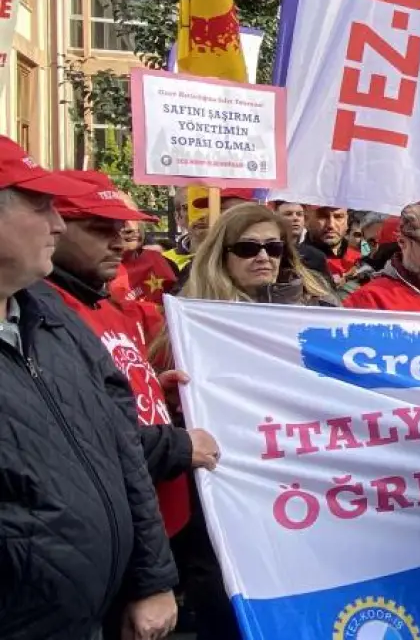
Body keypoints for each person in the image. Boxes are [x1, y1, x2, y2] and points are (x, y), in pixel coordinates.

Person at [0, 139, 179, 640]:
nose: (56, 224)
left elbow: (119, 446)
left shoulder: (51, 316)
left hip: (92, 614)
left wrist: (151, 578)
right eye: (40, 206)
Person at [157, 203, 337, 640]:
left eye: (274, 247)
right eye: (248, 247)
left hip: (301, 494)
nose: (264, 257)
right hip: (225, 500)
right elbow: (154, 403)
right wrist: (164, 393)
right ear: (223, 254)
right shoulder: (189, 323)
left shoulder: (320, 311)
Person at [45, 170, 220, 536]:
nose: (118, 242)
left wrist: (151, 389)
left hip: (158, 519)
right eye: (98, 228)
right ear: (54, 227)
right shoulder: (46, 314)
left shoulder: (105, 306)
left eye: (120, 228)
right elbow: (76, 433)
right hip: (108, 528)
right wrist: (175, 446)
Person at [302, 205, 362, 282]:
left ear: (347, 223)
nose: (331, 225)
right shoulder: (294, 260)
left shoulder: (359, 260)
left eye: (338, 217)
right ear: (306, 221)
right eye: (322, 216)